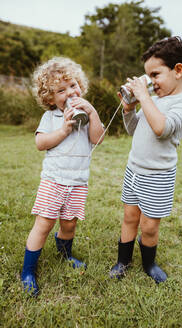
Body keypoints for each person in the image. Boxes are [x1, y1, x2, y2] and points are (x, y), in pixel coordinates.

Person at [110, 36, 182, 283]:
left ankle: (149, 263)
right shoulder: (153, 100)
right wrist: (128, 109)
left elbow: (162, 128)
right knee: (129, 217)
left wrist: (144, 98)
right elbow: (134, 128)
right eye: (147, 76)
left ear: (178, 70)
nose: (151, 82)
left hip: (158, 176)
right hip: (134, 169)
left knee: (148, 226)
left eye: (155, 75)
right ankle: (122, 261)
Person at [21, 57, 104, 295]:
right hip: (54, 181)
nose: (70, 92)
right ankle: (28, 270)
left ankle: (65, 254)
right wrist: (64, 129)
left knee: (69, 223)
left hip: (77, 183)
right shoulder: (52, 118)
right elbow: (40, 143)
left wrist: (92, 111)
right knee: (44, 223)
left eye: (73, 85)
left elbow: (97, 138)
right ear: (50, 98)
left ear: (81, 86)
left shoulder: (86, 116)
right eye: (61, 90)